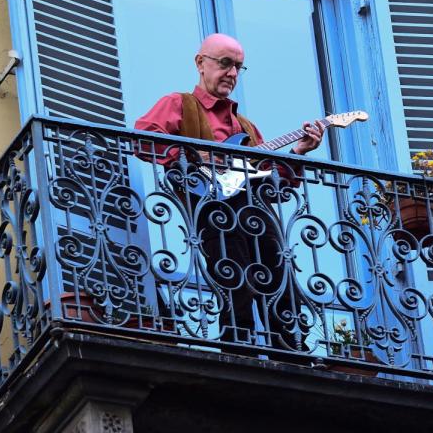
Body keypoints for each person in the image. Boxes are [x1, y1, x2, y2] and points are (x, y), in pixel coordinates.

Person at [135, 33, 326, 351]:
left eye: (238, 67)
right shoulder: (179, 103)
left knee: (282, 281)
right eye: (225, 64)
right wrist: (192, 153)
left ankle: (292, 352)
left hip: (256, 213)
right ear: (201, 63)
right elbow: (141, 137)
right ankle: (238, 347)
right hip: (214, 209)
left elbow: (273, 185)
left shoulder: (247, 129)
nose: (233, 74)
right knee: (236, 279)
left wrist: (300, 153)